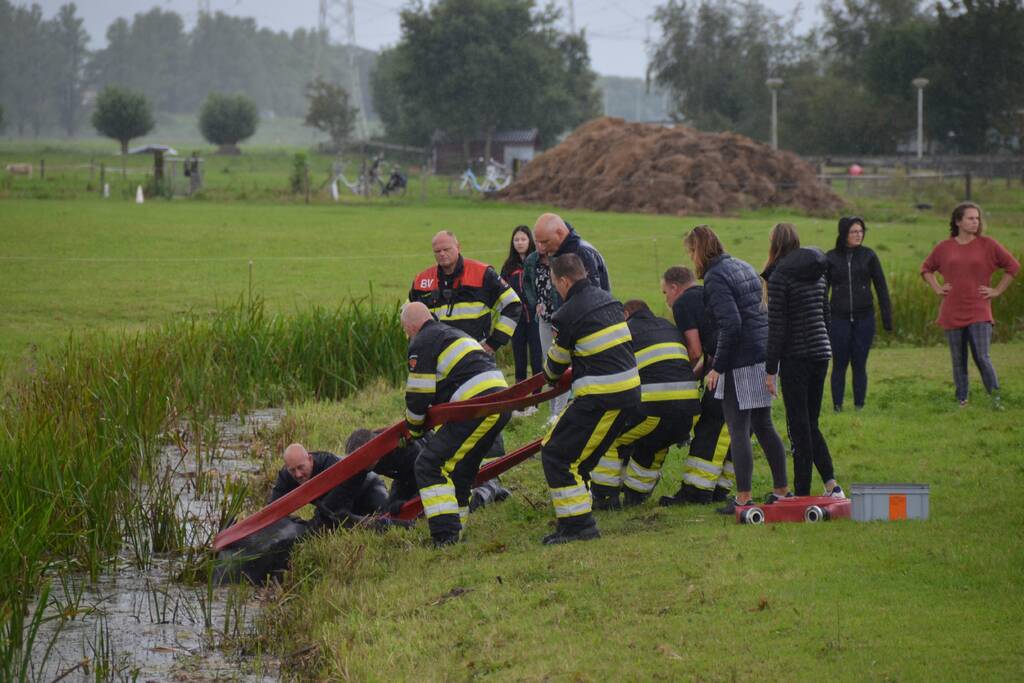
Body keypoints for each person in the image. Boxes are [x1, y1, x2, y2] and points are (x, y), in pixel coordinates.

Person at [684, 226, 790, 514]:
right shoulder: (742, 265)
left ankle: (743, 498)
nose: (691, 259)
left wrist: (717, 367)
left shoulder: (716, 277)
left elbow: (731, 324)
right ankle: (782, 490)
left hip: (740, 359)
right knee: (763, 424)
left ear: (699, 251)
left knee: (738, 429)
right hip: (761, 353)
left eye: (691, 252)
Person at [538, 254, 640, 544]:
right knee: (579, 460)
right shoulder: (609, 300)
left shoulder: (567, 314)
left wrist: (547, 376)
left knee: (556, 454)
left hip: (601, 396)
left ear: (564, 280)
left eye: (556, 284)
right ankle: (577, 521)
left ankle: (578, 527)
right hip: (629, 393)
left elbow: (555, 367)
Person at [401, 302, 511, 546]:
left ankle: (445, 537)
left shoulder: (422, 342)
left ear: (410, 327)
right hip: (500, 402)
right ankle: (457, 528)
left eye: (406, 331)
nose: (407, 337)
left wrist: (415, 428)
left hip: (474, 407)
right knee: (460, 468)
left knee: (429, 465)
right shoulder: (453, 334)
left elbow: (418, 395)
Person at [589, 299, 700, 508]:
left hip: (654, 410)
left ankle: (605, 498)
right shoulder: (669, 327)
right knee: (655, 445)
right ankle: (636, 496)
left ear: (625, 314)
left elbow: (614, 376)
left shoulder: (625, 331)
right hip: (689, 413)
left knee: (609, 438)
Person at [763, 223, 844, 499]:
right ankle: (832, 484)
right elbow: (826, 314)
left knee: (798, 426)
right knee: (810, 423)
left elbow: (777, 328)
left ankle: (801, 494)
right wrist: (824, 344)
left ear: (774, 244)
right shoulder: (818, 269)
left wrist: (770, 370)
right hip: (821, 354)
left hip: (796, 357)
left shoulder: (779, 277)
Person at [921, 202, 1019, 408]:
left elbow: (1013, 266)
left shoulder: (988, 244)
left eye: (977, 219)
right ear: (958, 221)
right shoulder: (944, 247)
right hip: (952, 309)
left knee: (982, 356)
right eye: (970, 218)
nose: (975, 222)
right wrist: (937, 288)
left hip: (979, 309)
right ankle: (962, 399)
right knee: (958, 359)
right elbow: (926, 269)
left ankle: (996, 398)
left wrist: (997, 290)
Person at [657, 265, 735, 506]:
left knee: (711, 424)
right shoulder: (709, 293)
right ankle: (720, 488)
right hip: (743, 364)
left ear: (674, 287)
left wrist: (683, 376)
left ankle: (696, 491)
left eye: (664, 293)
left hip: (724, 370)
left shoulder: (682, 303)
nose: (666, 299)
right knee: (735, 429)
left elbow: (695, 350)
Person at [528, 213, 611, 426]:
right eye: (538, 243)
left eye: (545, 242)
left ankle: (571, 417)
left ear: (560, 232)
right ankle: (562, 414)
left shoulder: (583, 253)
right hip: (561, 324)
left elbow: (592, 299)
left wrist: (567, 324)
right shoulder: (561, 251)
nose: (542, 248)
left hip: (589, 332)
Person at [408, 231, 521, 353]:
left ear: (458, 247)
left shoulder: (482, 274)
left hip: (475, 355)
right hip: (437, 356)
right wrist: (418, 345)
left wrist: (493, 343)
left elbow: (513, 304)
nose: (442, 254)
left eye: (446, 249)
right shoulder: (422, 280)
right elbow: (408, 316)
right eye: (437, 251)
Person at [825, 216, 893, 412]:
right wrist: (822, 318)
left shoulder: (869, 256)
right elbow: (823, 290)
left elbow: (881, 288)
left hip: (865, 319)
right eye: (854, 231)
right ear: (844, 233)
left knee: (859, 363)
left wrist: (887, 319)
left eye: (861, 231)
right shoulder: (830, 258)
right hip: (838, 319)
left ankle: (859, 405)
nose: (858, 235)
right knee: (839, 364)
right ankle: (837, 406)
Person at [268, 443, 390, 530]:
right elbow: (272, 510)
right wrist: (294, 521)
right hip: (339, 505)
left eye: (301, 467)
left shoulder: (329, 463)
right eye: (292, 470)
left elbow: (338, 503)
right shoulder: (286, 476)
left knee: (389, 517)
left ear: (310, 460)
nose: (298, 474)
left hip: (368, 488)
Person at [500, 225, 544, 416]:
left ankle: (536, 402)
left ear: (530, 241)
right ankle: (519, 403)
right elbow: (500, 291)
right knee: (519, 359)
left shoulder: (537, 262)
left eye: (523, 239)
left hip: (535, 318)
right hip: (516, 320)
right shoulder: (508, 267)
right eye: (516, 240)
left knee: (536, 357)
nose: (519, 243)